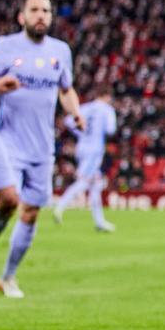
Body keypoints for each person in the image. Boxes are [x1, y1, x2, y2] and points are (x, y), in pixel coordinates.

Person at [0, 0, 83, 298]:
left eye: (46, 11)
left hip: (42, 147)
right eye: (34, 10)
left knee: (30, 212)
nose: (40, 15)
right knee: (7, 200)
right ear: (22, 16)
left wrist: (76, 113)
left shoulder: (60, 51)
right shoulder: (5, 47)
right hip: (8, 141)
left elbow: (66, 90)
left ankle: (7, 277)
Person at [53, 88, 117, 232]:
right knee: (84, 182)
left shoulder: (86, 107)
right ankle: (59, 207)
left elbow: (69, 121)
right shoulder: (107, 110)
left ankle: (99, 222)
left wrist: (81, 133)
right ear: (106, 96)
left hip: (81, 147)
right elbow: (110, 130)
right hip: (94, 151)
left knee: (96, 185)